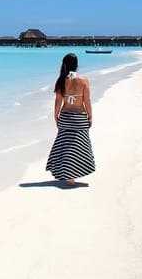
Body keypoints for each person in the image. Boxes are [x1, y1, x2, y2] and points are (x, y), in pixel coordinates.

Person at [46, 53, 95, 185]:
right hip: (79, 118)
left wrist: (55, 116)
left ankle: (69, 176)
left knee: (65, 146)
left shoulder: (61, 80)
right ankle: (72, 175)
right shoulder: (83, 80)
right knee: (79, 147)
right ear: (77, 65)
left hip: (66, 118)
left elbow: (58, 102)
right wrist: (90, 116)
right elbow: (87, 101)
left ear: (64, 64)